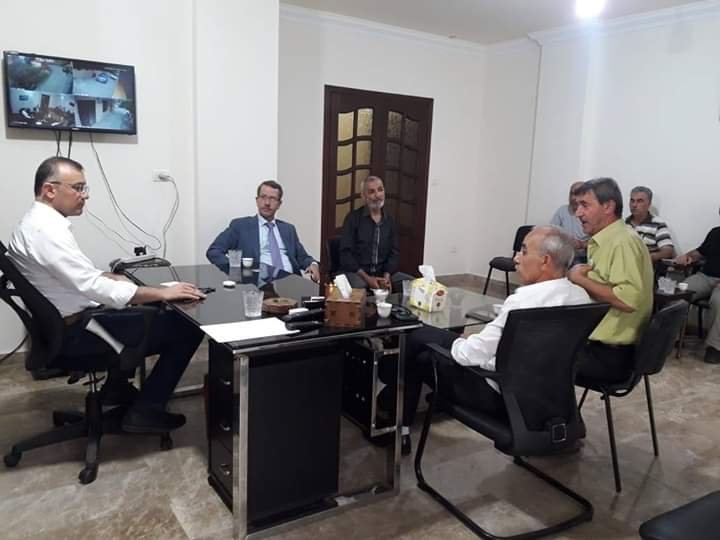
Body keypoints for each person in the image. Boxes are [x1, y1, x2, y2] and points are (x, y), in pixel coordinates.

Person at [8, 156, 206, 433]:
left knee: (146, 307)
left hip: (60, 328)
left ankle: (116, 389)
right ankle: (147, 410)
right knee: (186, 328)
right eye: (78, 188)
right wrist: (161, 293)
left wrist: (117, 278)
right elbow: (93, 287)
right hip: (77, 334)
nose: (84, 196)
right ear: (50, 190)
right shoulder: (45, 231)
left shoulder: (35, 223)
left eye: (84, 188)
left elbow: (77, 275)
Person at [401, 226, 591, 455]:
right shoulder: (581, 297)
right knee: (434, 337)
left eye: (523, 251)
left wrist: (464, 342)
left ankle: (398, 424)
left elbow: (468, 355)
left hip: (499, 397)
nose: (516, 258)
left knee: (419, 341)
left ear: (545, 260)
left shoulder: (522, 301)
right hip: (546, 398)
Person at [568, 178, 654, 382]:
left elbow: (627, 300)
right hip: (603, 346)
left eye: (585, 205)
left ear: (608, 206)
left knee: (530, 355)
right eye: (577, 206)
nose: (578, 213)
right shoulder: (608, 238)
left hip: (610, 355)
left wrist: (579, 279)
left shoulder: (621, 242)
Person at [206, 180, 320, 282]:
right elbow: (214, 251)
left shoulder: (288, 229)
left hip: (291, 283)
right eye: (263, 197)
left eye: (272, 199)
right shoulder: (240, 226)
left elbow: (303, 257)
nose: (267, 203)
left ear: (279, 204)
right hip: (258, 284)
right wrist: (237, 268)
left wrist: (313, 264)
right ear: (257, 200)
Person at [339, 176, 412, 290]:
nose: (377, 195)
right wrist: (368, 279)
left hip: (383, 273)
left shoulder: (390, 221)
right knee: (360, 288)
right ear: (363, 196)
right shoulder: (352, 219)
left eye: (380, 190)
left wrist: (386, 276)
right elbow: (346, 255)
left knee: (413, 285)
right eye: (371, 192)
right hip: (357, 273)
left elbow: (394, 253)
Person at [674, 213, 720, 363]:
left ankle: (715, 348)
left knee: (718, 301)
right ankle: (673, 336)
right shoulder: (715, 232)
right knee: (679, 291)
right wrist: (687, 256)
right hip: (705, 276)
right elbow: (700, 252)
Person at [625, 186, 675, 263]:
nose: (634, 205)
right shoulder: (624, 224)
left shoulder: (657, 224)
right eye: (632, 201)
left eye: (639, 201)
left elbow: (668, 251)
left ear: (649, 204)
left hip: (647, 266)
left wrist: (647, 258)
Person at [550, 181, 589, 263]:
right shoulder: (562, 210)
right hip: (564, 255)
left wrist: (581, 244)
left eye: (578, 194)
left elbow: (600, 241)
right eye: (571, 194)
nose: (573, 198)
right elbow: (551, 232)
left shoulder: (591, 213)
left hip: (584, 257)